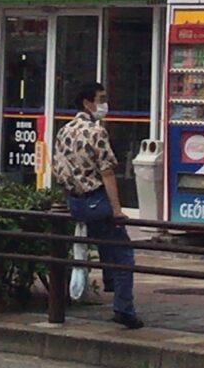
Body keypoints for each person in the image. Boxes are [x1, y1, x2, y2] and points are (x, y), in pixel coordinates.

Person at [51, 80, 143, 329]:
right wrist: (117, 209)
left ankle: (109, 281)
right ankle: (124, 308)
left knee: (104, 243)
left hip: (75, 201)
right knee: (123, 253)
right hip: (97, 201)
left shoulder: (64, 131)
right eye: (100, 99)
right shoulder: (96, 132)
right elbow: (107, 172)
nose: (104, 104)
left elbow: (59, 170)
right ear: (87, 102)